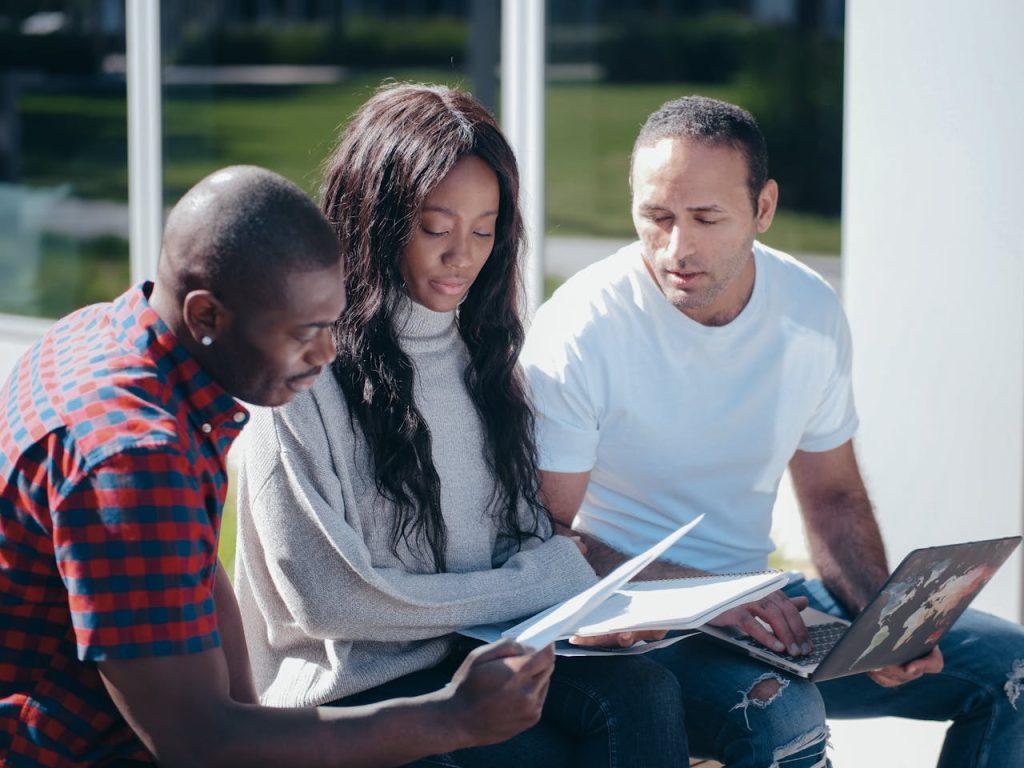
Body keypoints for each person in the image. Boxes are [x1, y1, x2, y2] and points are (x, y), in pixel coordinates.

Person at [521, 95, 1024, 768]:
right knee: (782, 715)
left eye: (706, 218)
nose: (677, 247)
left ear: (763, 209)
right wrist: (701, 598)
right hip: (639, 629)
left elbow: (833, 497)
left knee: (1011, 671)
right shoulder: (582, 328)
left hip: (764, 610)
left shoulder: (807, 310)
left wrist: (885, 624)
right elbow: (541, 536)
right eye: (657, 217)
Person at [0, 165, 560, 768]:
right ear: (207, 316)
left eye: (332, 323)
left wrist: (251, 712)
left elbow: (189, 566)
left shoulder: (109, 336)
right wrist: (452, 718)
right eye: (306, 332)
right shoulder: (133, 459)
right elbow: (202, 745)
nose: (325, 354)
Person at [234, 83, 689, 767]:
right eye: (435, 228)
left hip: (473, 659)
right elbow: (330, 600)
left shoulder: (487, 362)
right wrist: (550, 579)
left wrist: (570, 602)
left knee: (645, 691)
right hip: (351, 694)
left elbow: (523, 543)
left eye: (484, 230)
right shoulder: (302, 372)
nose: (463, 257)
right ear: (375, 220)